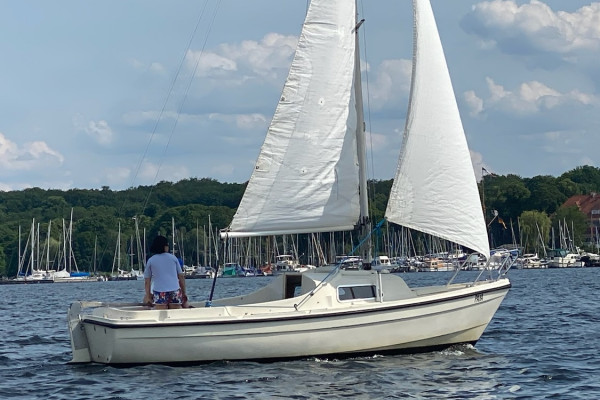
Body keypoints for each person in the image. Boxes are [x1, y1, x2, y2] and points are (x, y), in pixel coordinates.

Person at [143, 235, 188, 309]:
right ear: (165, 246)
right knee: (175, 313)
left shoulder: (151, 260)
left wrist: (148, 296)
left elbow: (147, 281)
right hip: (174, 290)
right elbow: (181, 276)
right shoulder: (173, 258)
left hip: (160, 291)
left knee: (161, 314)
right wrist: (184, 293)